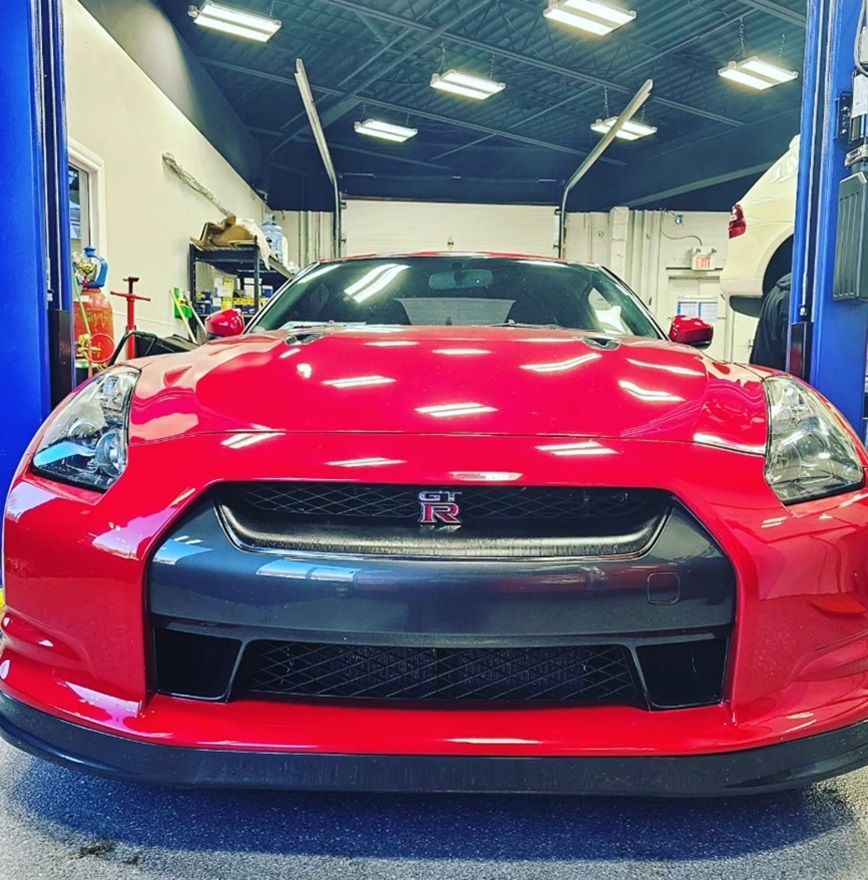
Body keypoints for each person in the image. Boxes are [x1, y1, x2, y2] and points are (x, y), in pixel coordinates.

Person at [750, 273, 791, 370]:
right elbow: (791, 349)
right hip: (778, 377)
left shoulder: (777, 291)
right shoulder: (790, 297)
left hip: (763, 370)